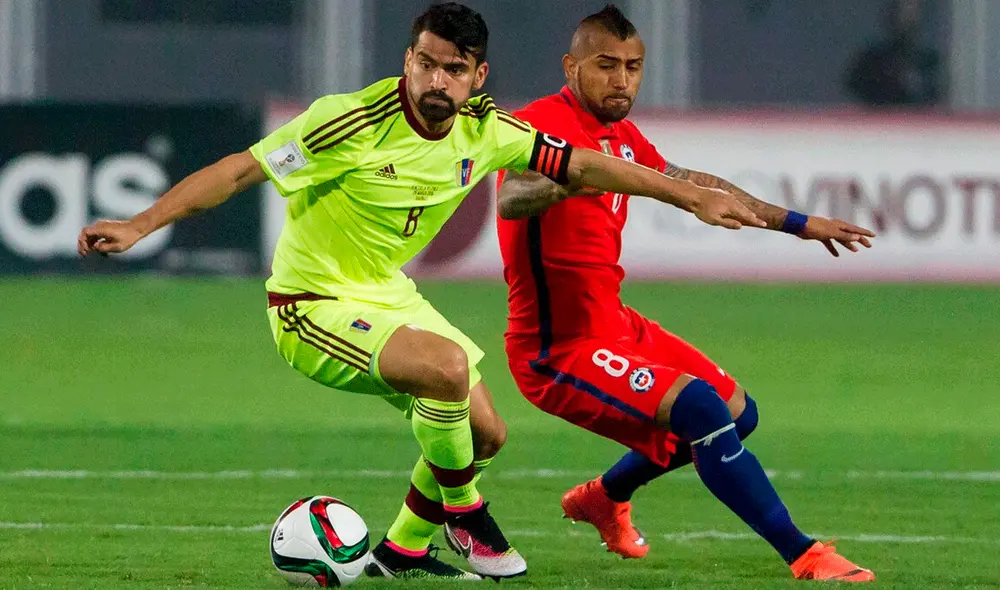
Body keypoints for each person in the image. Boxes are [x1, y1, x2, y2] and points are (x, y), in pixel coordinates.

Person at [77, 2, 762, 582]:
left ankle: (401, 552)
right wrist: (141, 224)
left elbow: (584, 164)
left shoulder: (486, 130)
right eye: (426, 63)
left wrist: (687, 195)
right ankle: (467, 517)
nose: (437, 79)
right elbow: (237, 172)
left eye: (454, 69)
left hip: (386, 296)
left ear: (477, 76)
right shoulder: (349, 122)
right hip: (309, 305)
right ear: (408, 59)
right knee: (447, 369)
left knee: (486, 433)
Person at [497, 5, 876, 582]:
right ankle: (805, 554)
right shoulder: (538, 125)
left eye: (633, 67)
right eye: (606, 65)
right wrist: (570, 179)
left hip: (614, 325)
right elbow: (510, 197)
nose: (622, 80)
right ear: (571, 67)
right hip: (557, 349)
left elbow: (693, 182)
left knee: (737, 413)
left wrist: (799, 223)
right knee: (698, 407)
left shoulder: (624, 138)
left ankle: (605, 496)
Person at [845, 0, 943, 107]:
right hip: (880, 115)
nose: (908, 19)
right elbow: (855, 85)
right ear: (892, 16)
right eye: (903, 12)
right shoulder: (873, 58)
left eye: (913, 13)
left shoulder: (930, 60)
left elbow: (937, 93)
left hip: (919, 116)